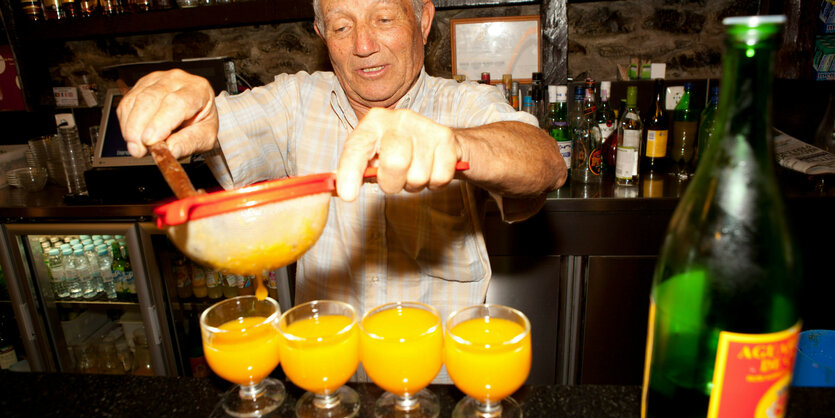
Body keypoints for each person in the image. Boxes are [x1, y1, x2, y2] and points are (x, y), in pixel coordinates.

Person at [118, 0, 565, 325]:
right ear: (320, 35)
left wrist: (458, 145)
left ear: (423, 21)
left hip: (439, 375)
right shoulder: (294, 100)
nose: (364, 45)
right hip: (325, 375)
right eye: (341, 27)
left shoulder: (466, 104)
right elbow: (218, 121)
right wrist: (191, 107)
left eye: (384, 19)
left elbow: (544, 161)